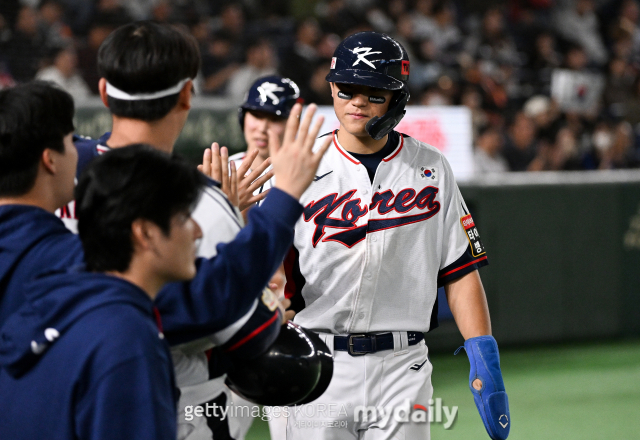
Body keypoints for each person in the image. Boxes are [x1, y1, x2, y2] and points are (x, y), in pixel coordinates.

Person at [58, 21, 331, 440]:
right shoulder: (199, 201)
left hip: (53, 387)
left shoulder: (54, 169)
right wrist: (256, 212)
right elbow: (242, 330)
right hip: (164, 406)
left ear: (103, 92)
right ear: (188, 94)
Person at [280, 32, 511, 440]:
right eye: (347, 88)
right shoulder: (299, 167)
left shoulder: (431, 166)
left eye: (374, 93)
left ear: (397, 100)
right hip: (318, 362)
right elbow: (270, 270)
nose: (357, 102)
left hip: (402, 367)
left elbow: (459, 269)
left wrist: (483, 353)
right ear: (332, 87)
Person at [0, 144, 206, 440]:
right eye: (185, 217)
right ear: (146, 232)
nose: (197, 231)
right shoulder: (125, 339)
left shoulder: (53, 306)